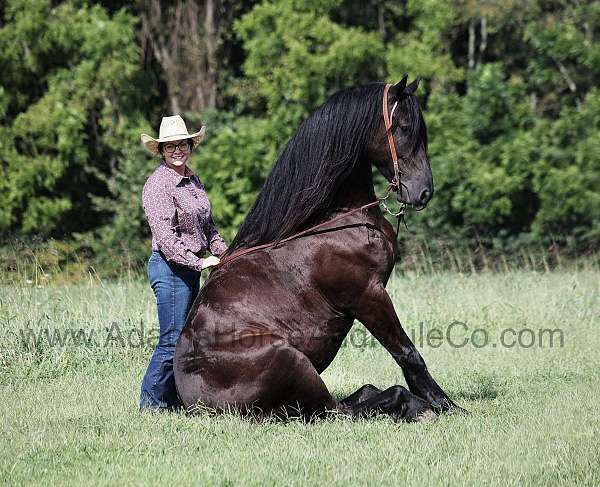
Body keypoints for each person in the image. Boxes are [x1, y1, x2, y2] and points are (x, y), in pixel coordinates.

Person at [139, 115, 227, 411]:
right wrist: (199, 263)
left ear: (190, 146)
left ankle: (177, 400)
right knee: (172, 339)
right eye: (171, 147)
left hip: (189, 267)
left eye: (182, 145)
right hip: (170, 267)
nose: (177, 150)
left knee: (188, 339)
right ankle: (151, 406)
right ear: (161, 151)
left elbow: (208, 226)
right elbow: (166, 238)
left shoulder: (192, 180)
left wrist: (225, 253)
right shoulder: (158, 185)